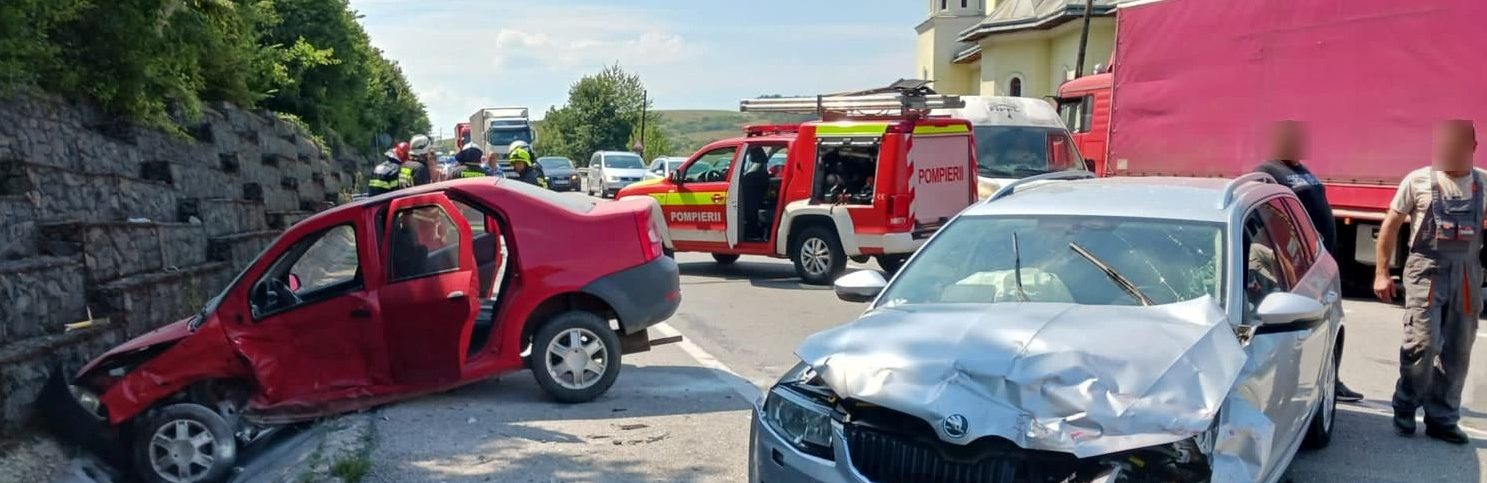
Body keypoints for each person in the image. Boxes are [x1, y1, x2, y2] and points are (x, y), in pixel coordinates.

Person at [1373, 120, 1484, 445]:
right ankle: (1406, 405)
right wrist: (1381, 272)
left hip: (1467, 275)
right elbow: (1390, 225)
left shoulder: (1483, 183)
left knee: (1458, 350)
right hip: (1427, 273)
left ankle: (1442, 419)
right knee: (1423, 343)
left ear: (1472, 148)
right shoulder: (1418, 181)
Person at [1253, 120, 1364, 403]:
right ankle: (1285, 391)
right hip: (1296, 264)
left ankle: (1331, 378)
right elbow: (1266, 216)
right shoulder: (1267, 172)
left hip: (1319, 261)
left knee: (1330, 320)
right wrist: (1286, 256)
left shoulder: (1300, 170)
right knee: (1299, 326)